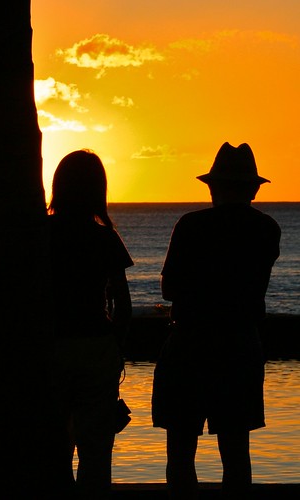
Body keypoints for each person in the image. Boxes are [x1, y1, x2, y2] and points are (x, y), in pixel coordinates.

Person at [152, 143, 281, 499]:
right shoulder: (267, 229)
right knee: (236, 449)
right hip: (240, 343)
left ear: (213, 186)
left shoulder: (191, 225)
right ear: (254, 188)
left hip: (189, 343)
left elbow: (169, 288)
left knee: (180, 448)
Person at [44, 150, 133, 499]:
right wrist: (116, 348)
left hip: (50, 347)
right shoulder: (104, 237)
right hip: (96, 346)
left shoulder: (40, 233)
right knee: (96, 454)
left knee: (53, 449)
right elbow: (123, 305)